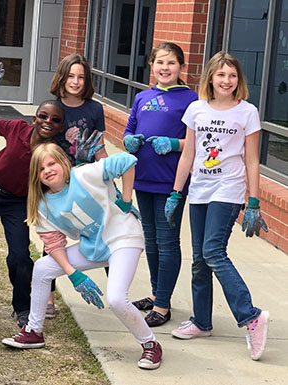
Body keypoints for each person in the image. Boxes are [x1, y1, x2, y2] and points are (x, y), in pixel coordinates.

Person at [1, 143, 162, 370]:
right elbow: (54, 244)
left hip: (124, 238)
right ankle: (34, 331)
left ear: (63, 163)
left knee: (116, 299)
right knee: (43, 267)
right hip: (94, 246)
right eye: (40, 168)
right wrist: (73, 275)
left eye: (51, 163)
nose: (47, 170)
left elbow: (127, 162)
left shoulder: (85, 174)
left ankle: (150, 344)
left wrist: (126, 199)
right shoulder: (42, 203)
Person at [0, 58, 100, 327]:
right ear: (34, 117)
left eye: (55, 120)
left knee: (20, 256)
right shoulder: (17, 128)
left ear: (61, 127)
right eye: (43, 116)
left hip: (18, 202)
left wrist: (84, 160)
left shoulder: (54, 154)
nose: (48, 122)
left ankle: (22, 308)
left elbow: (68, 179)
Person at [165, 51, 269, 361]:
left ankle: (251, 316)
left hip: (229, 189)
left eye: (232, 75)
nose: (226, 80)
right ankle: (202, 321)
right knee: (199, 259)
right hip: (199, 190)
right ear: (210, 77)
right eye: (221, 75)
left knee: (213, 252)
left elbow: (251, 159)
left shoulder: (247, 112)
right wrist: (175, 193)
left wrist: (253, 200)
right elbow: (188, 155)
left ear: (239, 81)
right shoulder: (196, 109)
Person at [123, 42, 199, 327]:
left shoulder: (191, 100)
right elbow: (130, 128)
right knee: (151, 241)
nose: (165, 68)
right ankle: (157, 295)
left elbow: (196, 143)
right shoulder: (142, 97)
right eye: (159, 63)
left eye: (171, 63)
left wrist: (174, 144)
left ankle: (164, 305)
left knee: (167, 243)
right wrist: (128, 140)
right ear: (151, 66)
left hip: (170, 183)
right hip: (142, 178)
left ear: (181, 67)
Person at [46, 53, 109, 317]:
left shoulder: (94, 109)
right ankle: (48, 297)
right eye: (71, 76)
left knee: (104, 235)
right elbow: (41, 144)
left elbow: (100, 147)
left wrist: (108, 179)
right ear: (62, 77)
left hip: (86, 182)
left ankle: (119, 292)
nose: (75, 81)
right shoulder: (52, 106)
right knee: (52, 236)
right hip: (59, 183)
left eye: (81, 77)